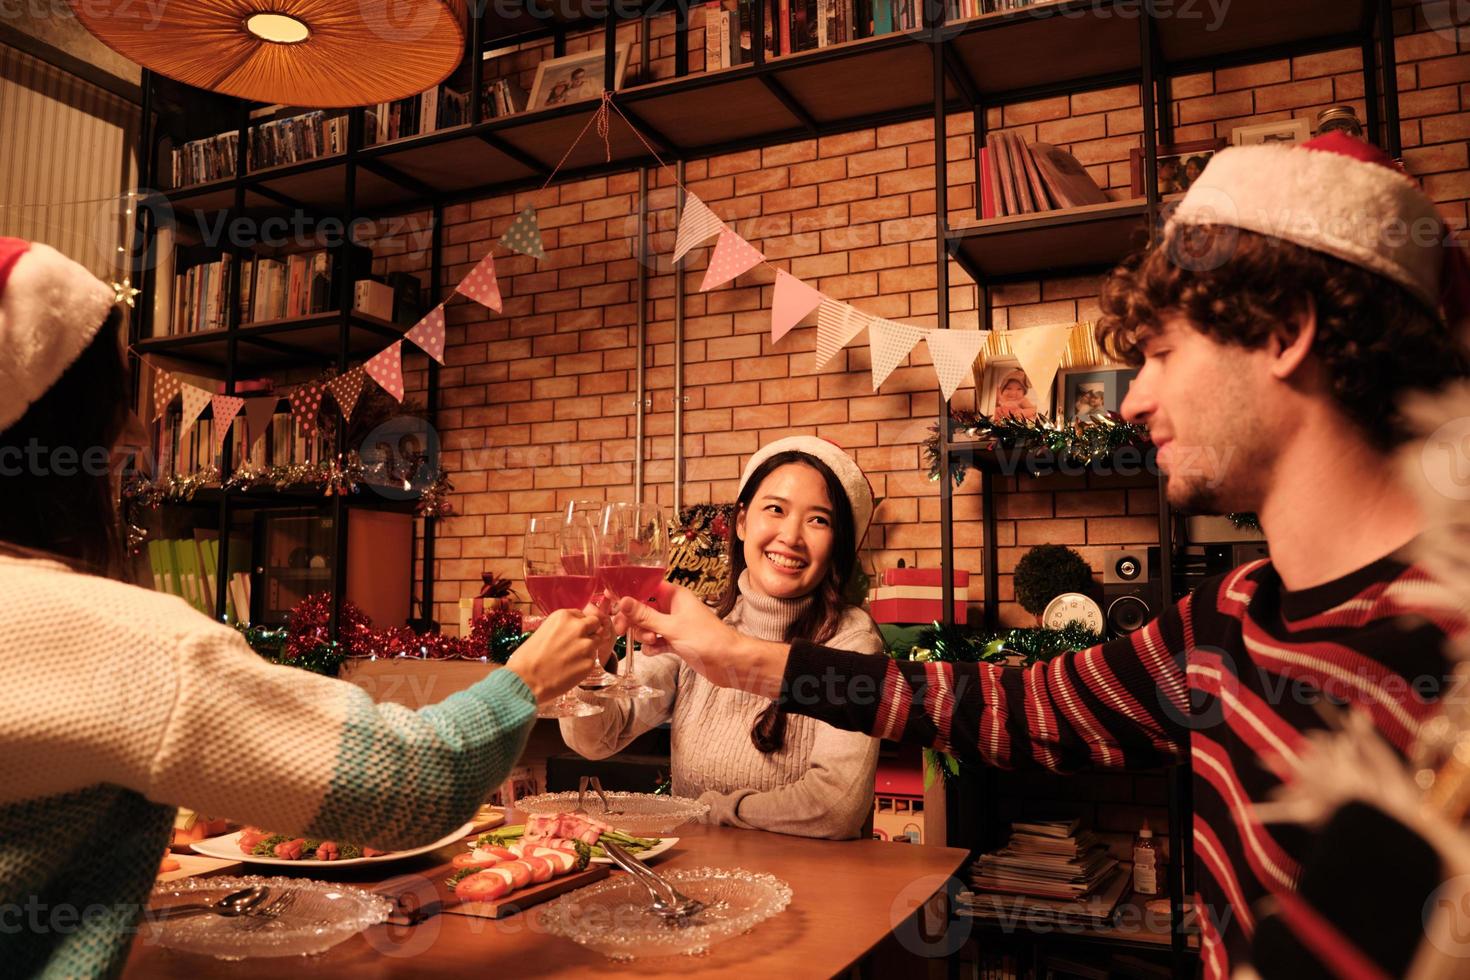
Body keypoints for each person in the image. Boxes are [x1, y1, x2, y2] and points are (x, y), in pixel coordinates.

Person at [614, 134, 1470, 978]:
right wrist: (738, 657)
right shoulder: (1224, 620)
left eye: (1164, 354)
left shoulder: (1450, 659)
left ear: (1285, 332)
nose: (1133, 400)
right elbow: (1018, 706)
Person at [0, 237, 608, 979]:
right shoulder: (123, 639)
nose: (135, 433)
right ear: (69, 437)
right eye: (116, 402)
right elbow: (408, 783)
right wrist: (524, 680)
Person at [561, 437, 884, 839]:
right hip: (693, 885)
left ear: (837, 544)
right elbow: (598, 738)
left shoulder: (852, 642)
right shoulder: (705, 621)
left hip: (812, 887)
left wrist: (711, 810)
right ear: (743, 522)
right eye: (776, 510)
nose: (791, 537)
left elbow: (835, 808)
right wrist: (596, 664)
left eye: (818, 520)